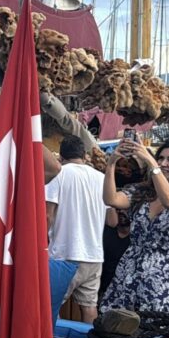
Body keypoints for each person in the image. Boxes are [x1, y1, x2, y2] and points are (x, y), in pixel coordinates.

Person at [100, 139, 169, 315]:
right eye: (160, 158)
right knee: (117, 322)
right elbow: (111, 199)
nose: (163, 163)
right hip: (130, 268)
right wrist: (111, 164)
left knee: (155, 324)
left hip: (162, 275)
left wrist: (152, 163)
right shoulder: (143, 192)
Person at [44, 135, 107, 322]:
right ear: (84, 154)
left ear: (61, 156)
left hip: (65, 254)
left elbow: (48, 215)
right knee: (89, 307)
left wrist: (40, 245)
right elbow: (112, 220)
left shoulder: (58, 174)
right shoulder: (102, 178)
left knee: (50, 305)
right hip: (94, 256)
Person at [99, 207, 131, 303]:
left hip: (126, 292)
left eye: (125, 209)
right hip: (102, 290)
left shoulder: (136, 239)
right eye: (118, 209)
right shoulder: (105, 232)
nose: (121, 211)